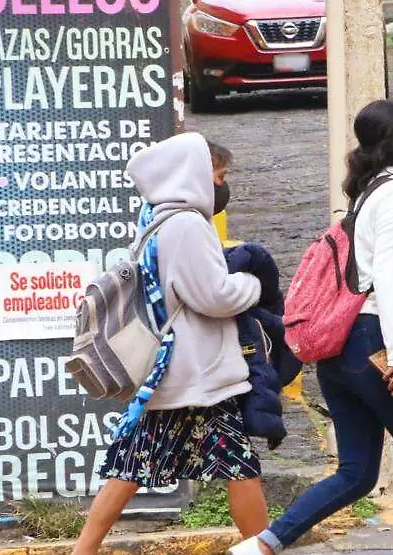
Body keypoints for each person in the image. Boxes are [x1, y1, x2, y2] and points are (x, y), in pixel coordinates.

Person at [230, 100, 393, 555]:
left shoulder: (366, 193)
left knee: (357, 472)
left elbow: (364, 275)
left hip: (339, 349)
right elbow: (386, 274)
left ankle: (263, 545)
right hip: (373, 345)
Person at [73, 133, 269, 555]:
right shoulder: (187, 225)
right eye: (218, 175)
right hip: (198, 371)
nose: (221, 185)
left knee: (132, 465)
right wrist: (251, 284)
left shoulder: (156, 219)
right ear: (195, 174)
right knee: (239, 467)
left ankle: (83, 551)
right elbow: (212, 296)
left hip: (176, 374)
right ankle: (262, 548)